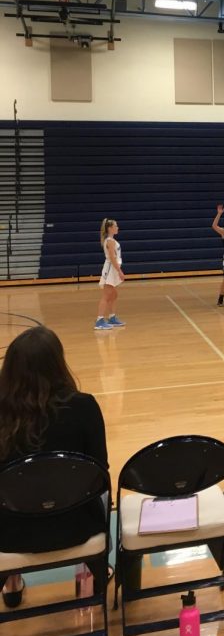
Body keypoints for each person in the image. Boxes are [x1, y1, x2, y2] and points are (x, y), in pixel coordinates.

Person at [0, 326, 108, 608]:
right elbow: (100, 473)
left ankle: (11, 581)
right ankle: (93, 570)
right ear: (59, 365)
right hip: (77, 525)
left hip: (10, 533)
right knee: (99, 484)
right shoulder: (84, 407)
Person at [95, 218, 125, 331]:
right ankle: (99, 320)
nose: (117, 228)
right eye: (116, 226)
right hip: (110, 269)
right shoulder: (110, 241)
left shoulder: (111, 240)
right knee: (106, 295)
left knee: (114, 295)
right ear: (110, 228)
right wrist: (120, 271)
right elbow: (112, 258)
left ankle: (112, 317)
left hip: (113, 269)